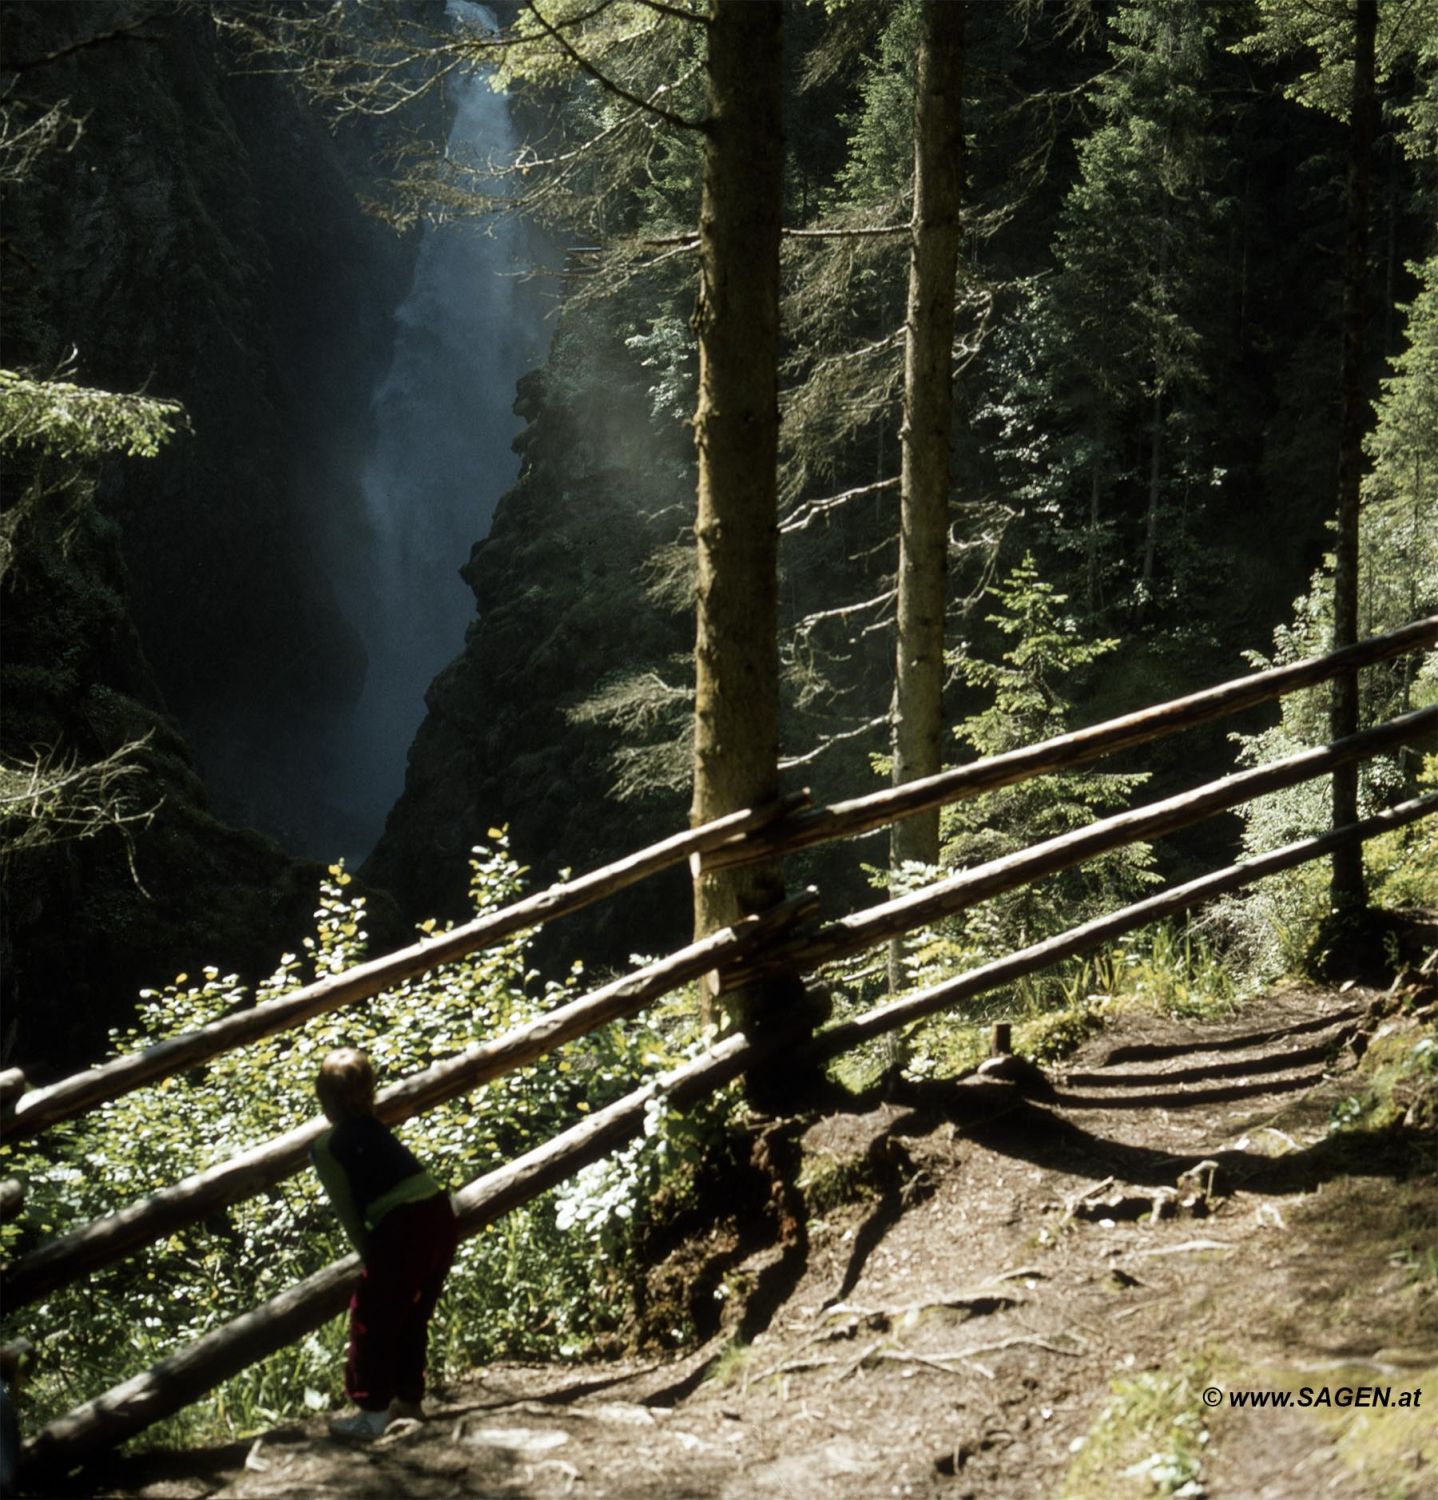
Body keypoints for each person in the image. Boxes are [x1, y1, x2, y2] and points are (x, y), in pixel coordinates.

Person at [310, 1046, 458, 1440]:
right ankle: (408, 1401)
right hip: (439, 1213)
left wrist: (371, 1257)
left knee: (372, 1316)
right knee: (412, 1313)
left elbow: (348, 1211)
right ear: (369, 1091)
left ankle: (371, 1414)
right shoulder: (376, 1127)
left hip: (401, 1226)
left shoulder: (327, 1146)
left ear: (324, 1097)